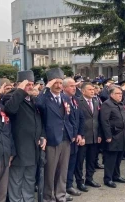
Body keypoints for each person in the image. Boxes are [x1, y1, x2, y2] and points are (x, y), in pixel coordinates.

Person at [2, 70, 47, 202]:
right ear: (18, 85)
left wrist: (43, 136)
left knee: (30, 179)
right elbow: (10, 109)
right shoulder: (11, 97)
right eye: (27, 84)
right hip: (19, 149)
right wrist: (20, 90)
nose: (30, 87)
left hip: (33, 148)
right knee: (16, 180)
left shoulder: (33, 99)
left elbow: (40, 121)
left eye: (32, 84)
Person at [36, 68, 77, 202]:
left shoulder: (65, 97)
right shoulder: (45, 98)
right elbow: (38, 104)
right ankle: (49, 197)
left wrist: (73, 133)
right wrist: (46, 88)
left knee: (63, 170)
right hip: (51, 138)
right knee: (50, 171)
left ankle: (60, 194)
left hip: (66, 138)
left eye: (60, 83)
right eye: (55, 83)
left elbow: (70, 116)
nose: (59, 86)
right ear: (50, 83)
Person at [75, 82, 102, 192]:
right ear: (83, 91)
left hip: (94, 136)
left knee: (91, 160)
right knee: (80, 161)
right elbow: (76, 120)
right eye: (90, 89)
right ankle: (79, 181)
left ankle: (89, 178)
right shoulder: (78, 101)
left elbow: (98, 120)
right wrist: (80, 135)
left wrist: (99, 134)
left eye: (93, 89)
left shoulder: (95, 102)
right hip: (83, 137)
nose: (92, 91)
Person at [100, 85, 125, 188]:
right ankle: (108, 178)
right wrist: (108, 135)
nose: (120, 95)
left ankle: (116, 175)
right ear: (111, 94)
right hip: (113, 135)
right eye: (118, 93)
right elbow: (105, 121)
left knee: (118, 157)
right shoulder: (107, 104)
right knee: (111, 158)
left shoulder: (120, 104)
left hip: (122, 135)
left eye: (121, 94)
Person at [62, 78, 84, 197]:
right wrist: (72, 135)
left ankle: (69, 185)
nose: (74, 88)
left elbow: (80, 118)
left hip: (75, 138)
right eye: (71, 86)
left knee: (72, 163)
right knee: (63, 166)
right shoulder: (61, 100)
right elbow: (65, 121)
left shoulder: (75, 100)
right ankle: (61, 188)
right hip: (66, 138)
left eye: (74, 86)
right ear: (64, 88)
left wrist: (80, 134)